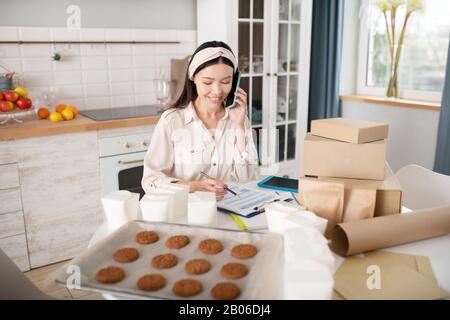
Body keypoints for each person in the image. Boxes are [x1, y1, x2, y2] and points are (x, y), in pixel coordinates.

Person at [141, 41, 259, 200]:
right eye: (207, 82)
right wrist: (196, 186)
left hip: (229, 212)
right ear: (193, 78)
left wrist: (239, 125)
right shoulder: (172, 121)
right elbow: (151, 181)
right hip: (186, 212)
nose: (217, 91)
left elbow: (248, 178)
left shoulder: (238, 119)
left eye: (226, 82)